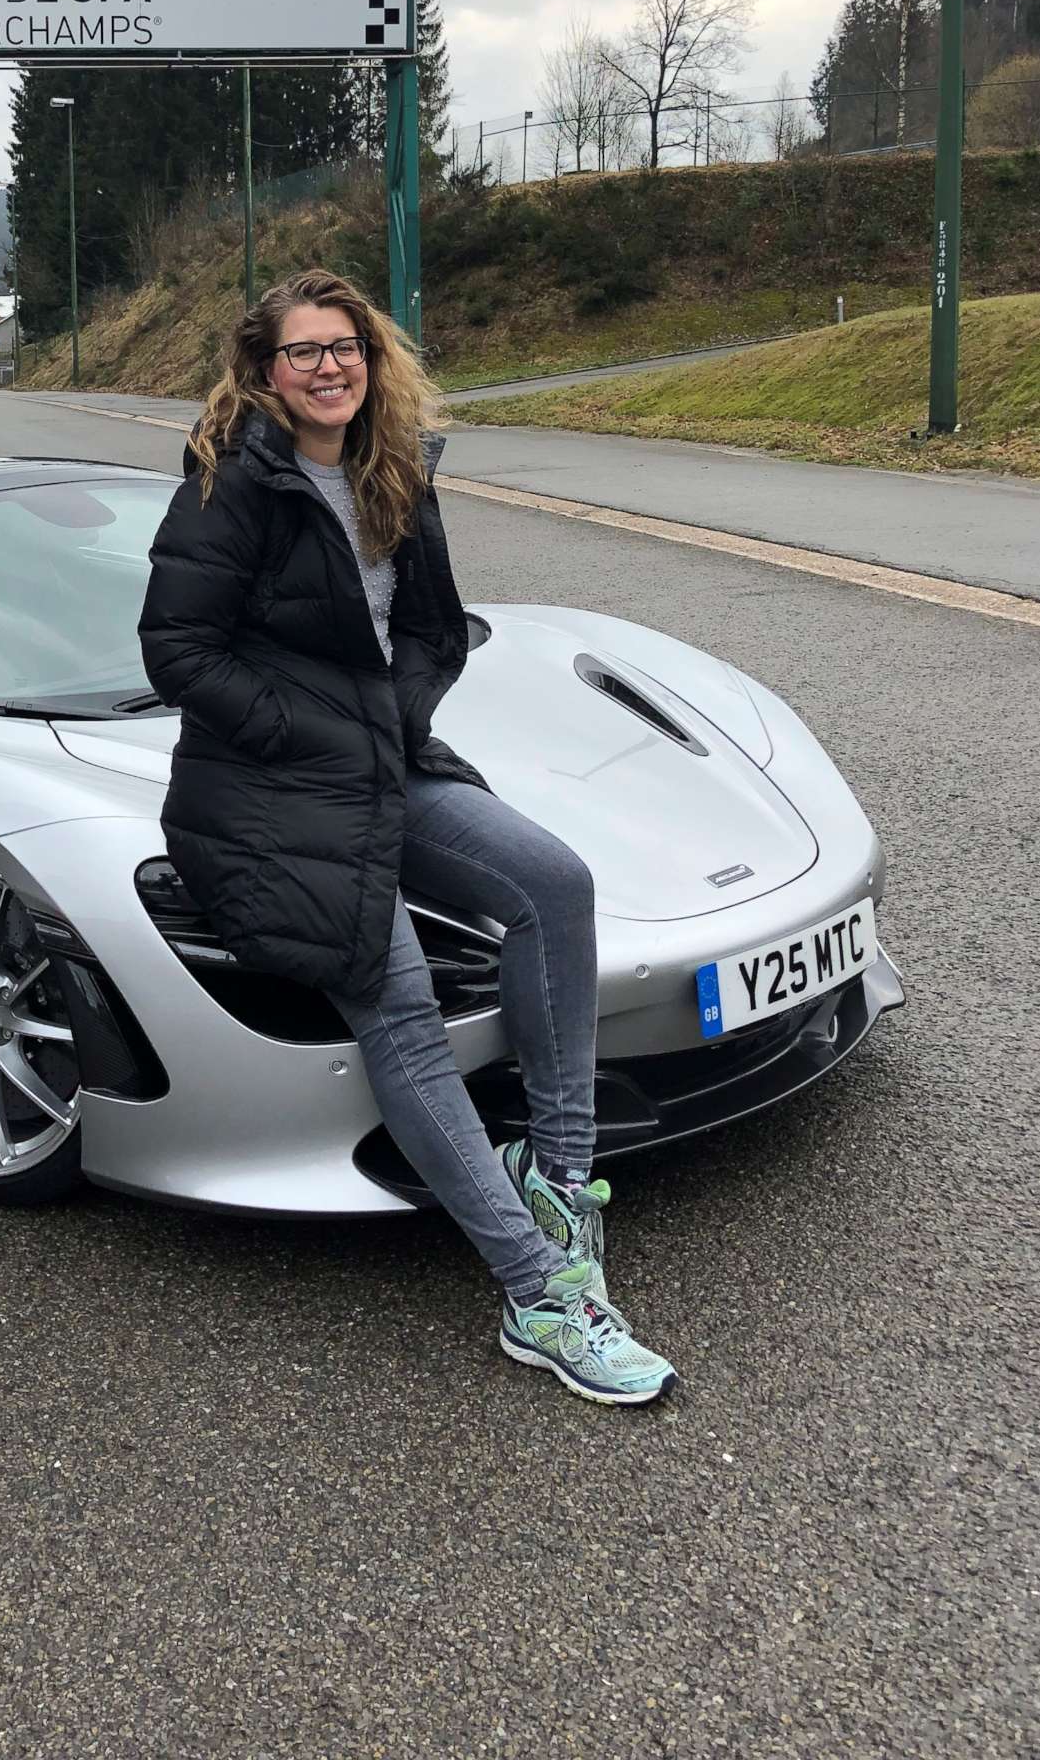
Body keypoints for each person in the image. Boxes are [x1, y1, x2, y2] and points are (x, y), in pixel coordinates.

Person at [138, 266, 678, 1406]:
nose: (329, 367)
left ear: (371, 360)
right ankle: (539, 1294)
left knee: (553, 885)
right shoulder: (231, 487)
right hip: (267, 796)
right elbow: (177, 652)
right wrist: (313, 732)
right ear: (265, 371)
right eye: (304, 352)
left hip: (383, 765)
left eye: (347, 347)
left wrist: (397, 711)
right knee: (404, 1008)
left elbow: (431, 628)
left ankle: (561, 1175)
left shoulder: (394, 475)